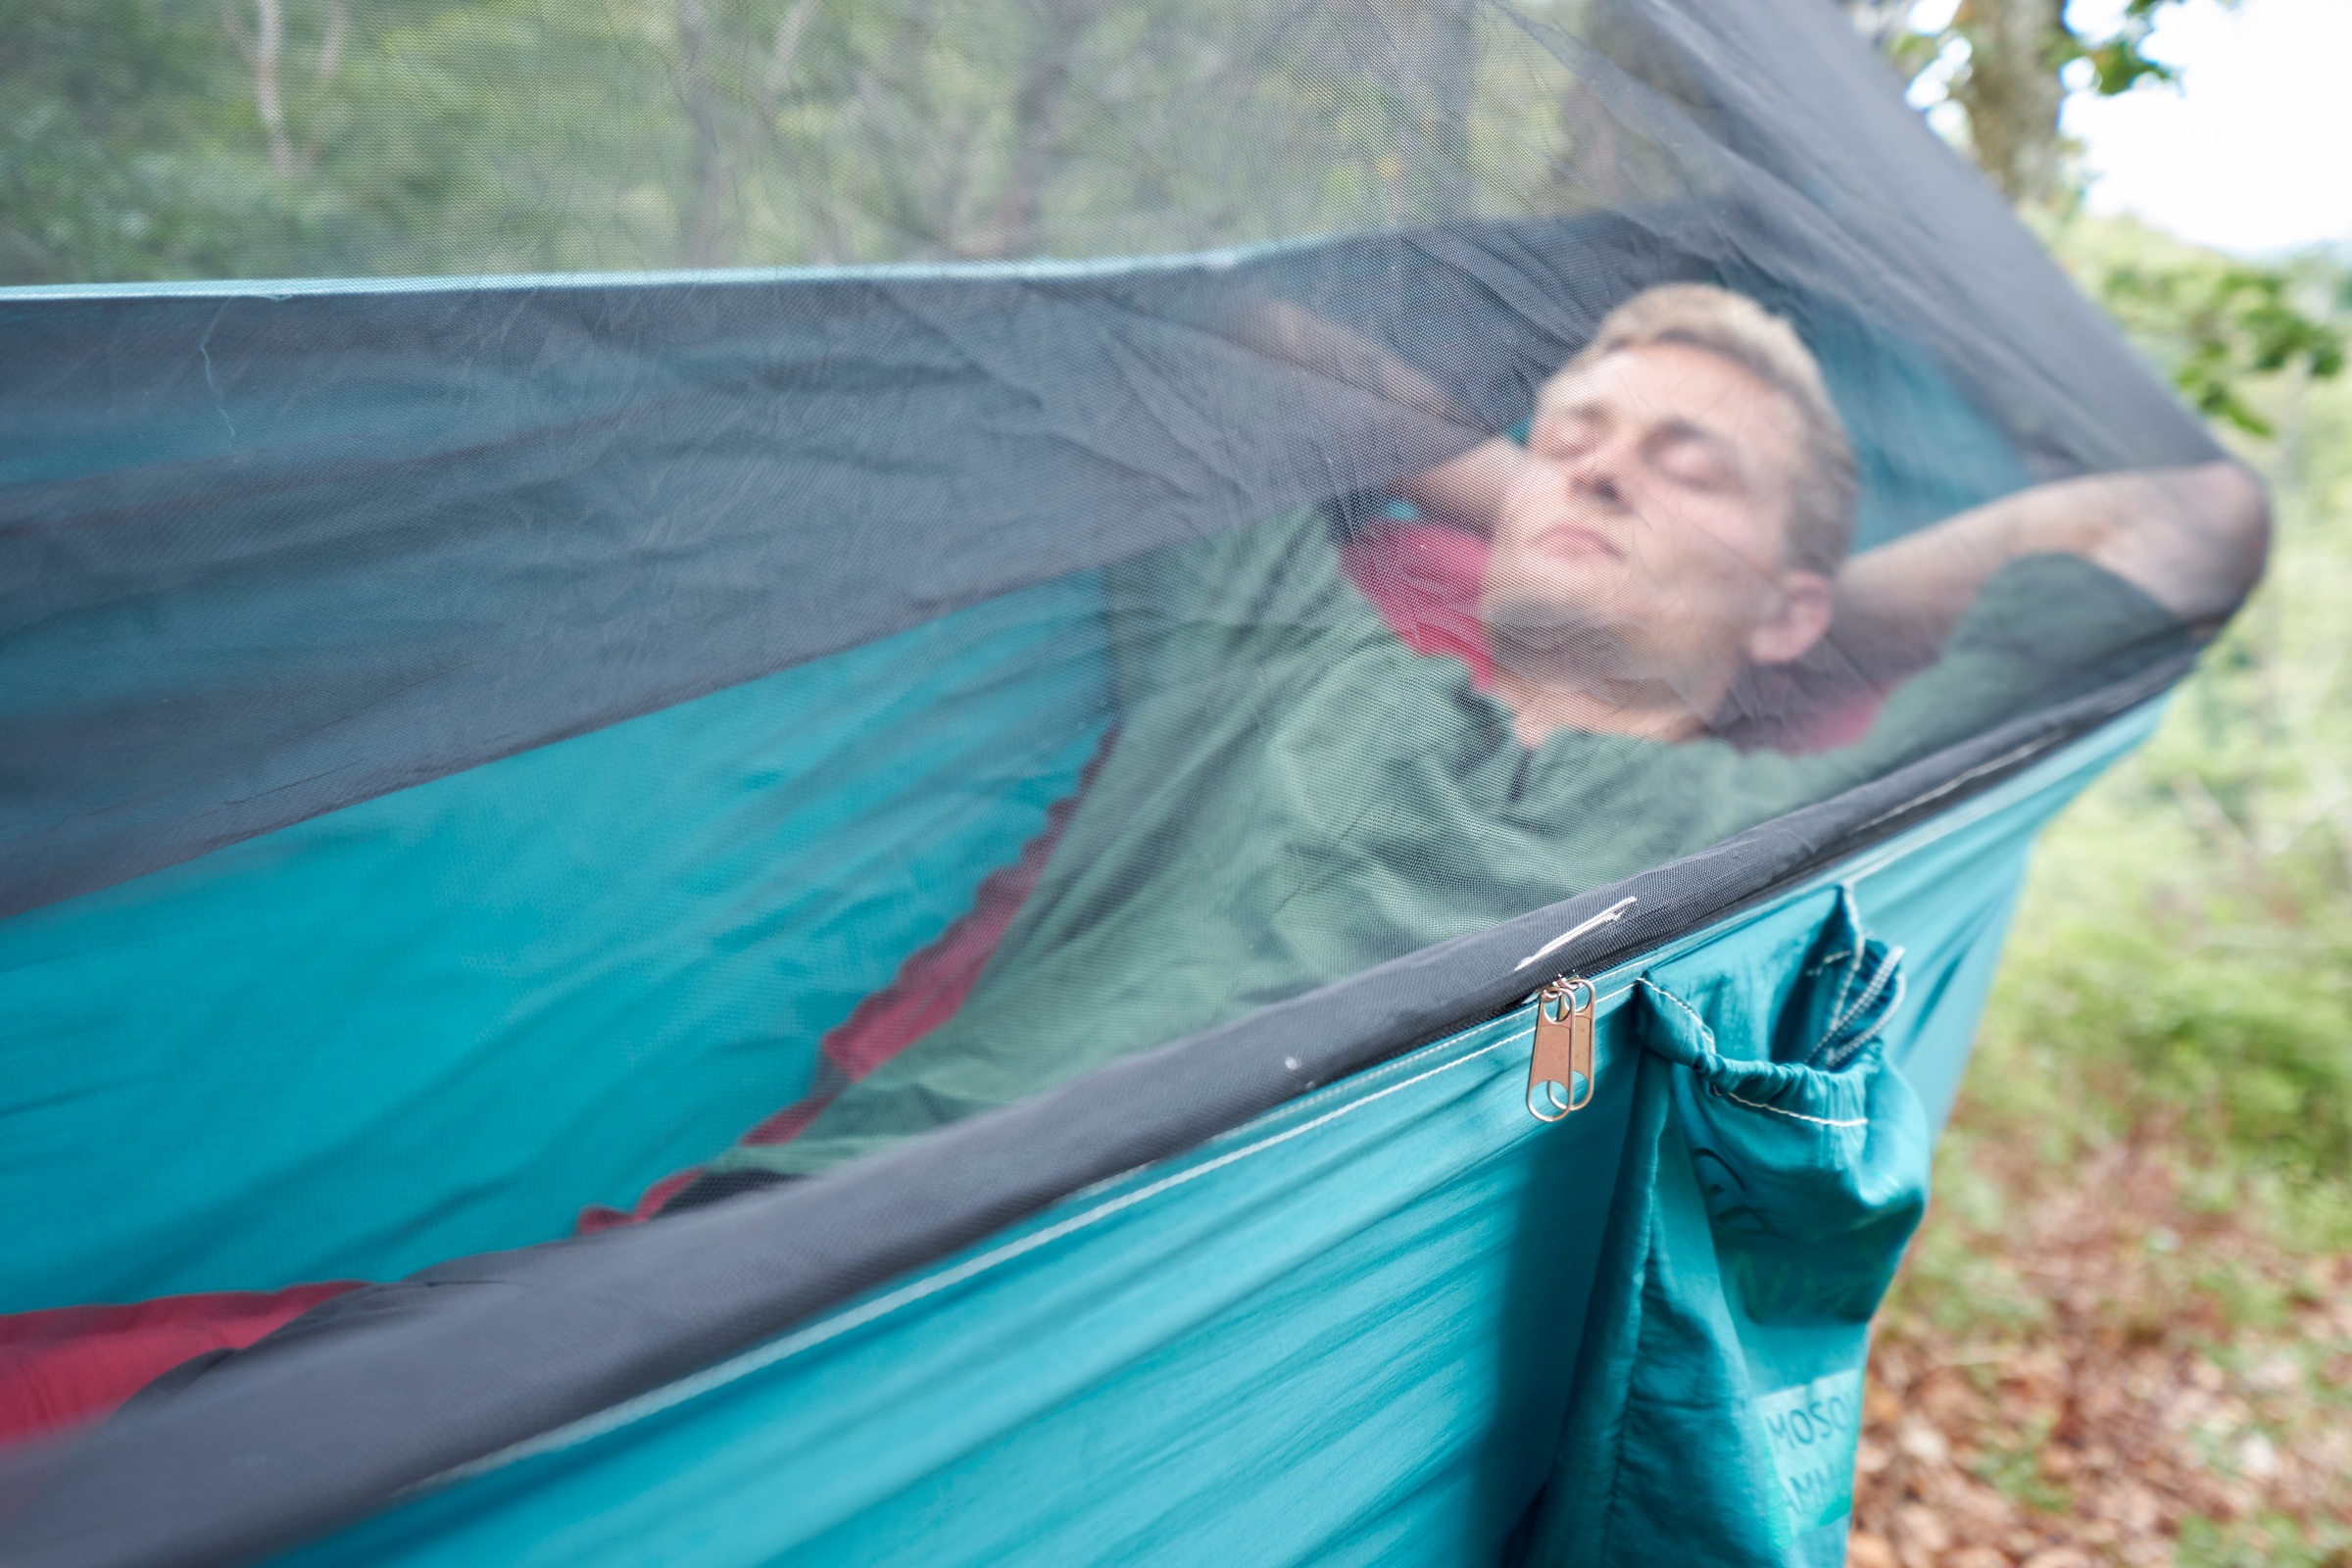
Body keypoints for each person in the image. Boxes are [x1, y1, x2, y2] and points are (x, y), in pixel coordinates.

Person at [701, 282, 2267, 1182]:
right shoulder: (1281, 653)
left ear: (1792, 613)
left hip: (1177, 1350)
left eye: (1687, 464)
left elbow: (2195, 519)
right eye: (1573, 436)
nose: (1595, 471)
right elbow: (1188, 334)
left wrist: (1815, 606)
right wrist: (1539, 494)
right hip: (807, 1253)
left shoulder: (1775, 834)